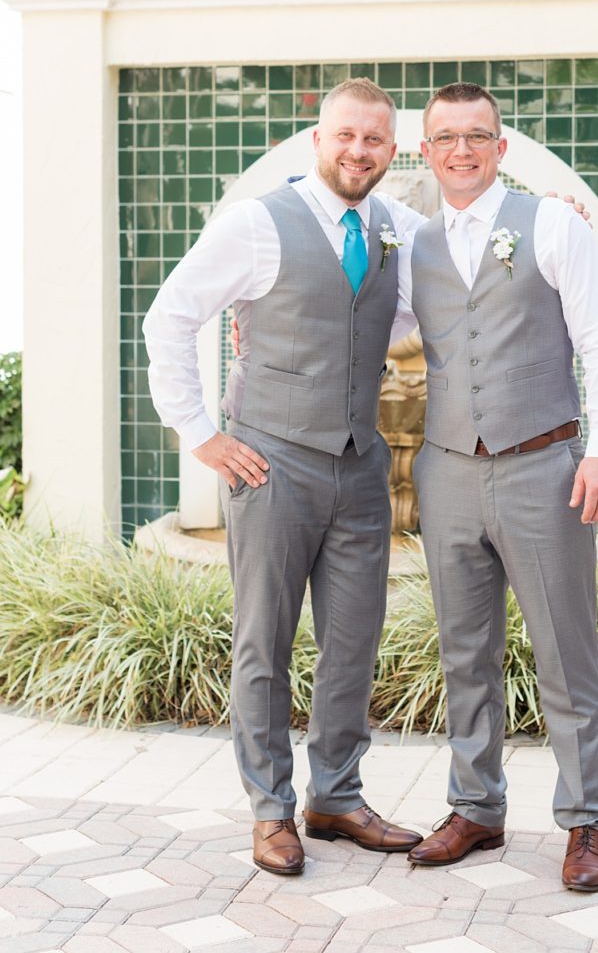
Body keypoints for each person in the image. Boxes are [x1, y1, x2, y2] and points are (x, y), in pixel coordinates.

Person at [144, 78, 425, 875]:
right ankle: (270, 809)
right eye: (345, 135)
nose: (358, 151)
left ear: (391, 149)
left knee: (352, 641)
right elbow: (170, 316)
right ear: (319, 137)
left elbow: (415, 302)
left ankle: (334, 794)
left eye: (374, 140)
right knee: (263, 642)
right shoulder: (257, 225)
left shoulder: (397, 226)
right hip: (273, 462)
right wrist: (201, 435)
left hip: (361, 465)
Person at [404, 82, 598, 892]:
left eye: (476, 136)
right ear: (424, 154)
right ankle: (476, 807)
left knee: (567, 653)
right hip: (446, 469)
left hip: (543, 466)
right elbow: (373, 322)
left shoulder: (552, 224)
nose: (460, 150)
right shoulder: (415, 242)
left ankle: (586, 822)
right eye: (444, 139)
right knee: (466, 652)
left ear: (501, 148)